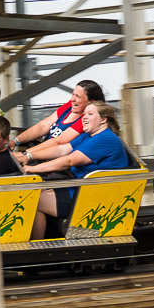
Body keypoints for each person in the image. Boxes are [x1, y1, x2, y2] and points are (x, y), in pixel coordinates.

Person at [23, 101, 133, 240]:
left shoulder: (105, 139)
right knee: (36, 190)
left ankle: (36, 250)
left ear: (104, 119)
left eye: (90, 114)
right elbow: (62, 149)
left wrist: (32, 169)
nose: (84, 117)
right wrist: (28, 156)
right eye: (84, 114)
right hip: (79, 189)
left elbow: (69, 161)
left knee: (33, 200)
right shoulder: (89, 135)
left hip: (91, 198)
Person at [16, 79, 105, 148]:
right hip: (44, 151)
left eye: (78, 96)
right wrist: (15, 141)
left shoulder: (86, 120)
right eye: (73, 94)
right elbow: (43, 125)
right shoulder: (70, 105)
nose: (73, 99)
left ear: (90, 102)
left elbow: (59, 141)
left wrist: (27, 155)